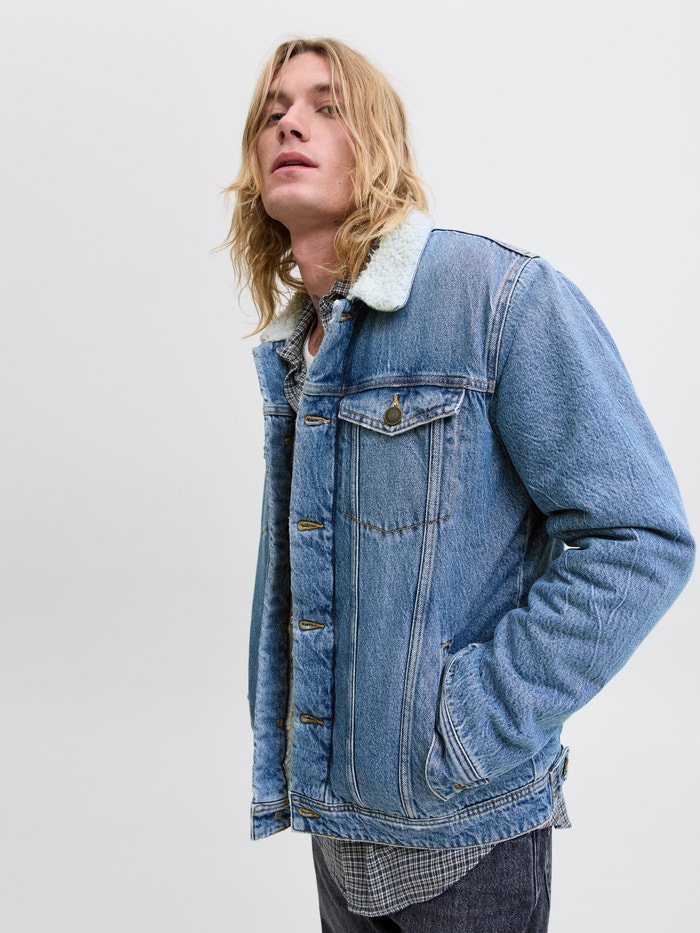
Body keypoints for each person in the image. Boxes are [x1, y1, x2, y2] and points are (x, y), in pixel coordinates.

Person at [222, 37, 694, 932]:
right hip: (338, 825)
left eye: (327, 106)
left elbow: (641, 537)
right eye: (272, 112)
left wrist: (471, 723)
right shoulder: (300, 344)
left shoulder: (495, 295)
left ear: (384, 145)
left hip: (466, 837)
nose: (289, 123)